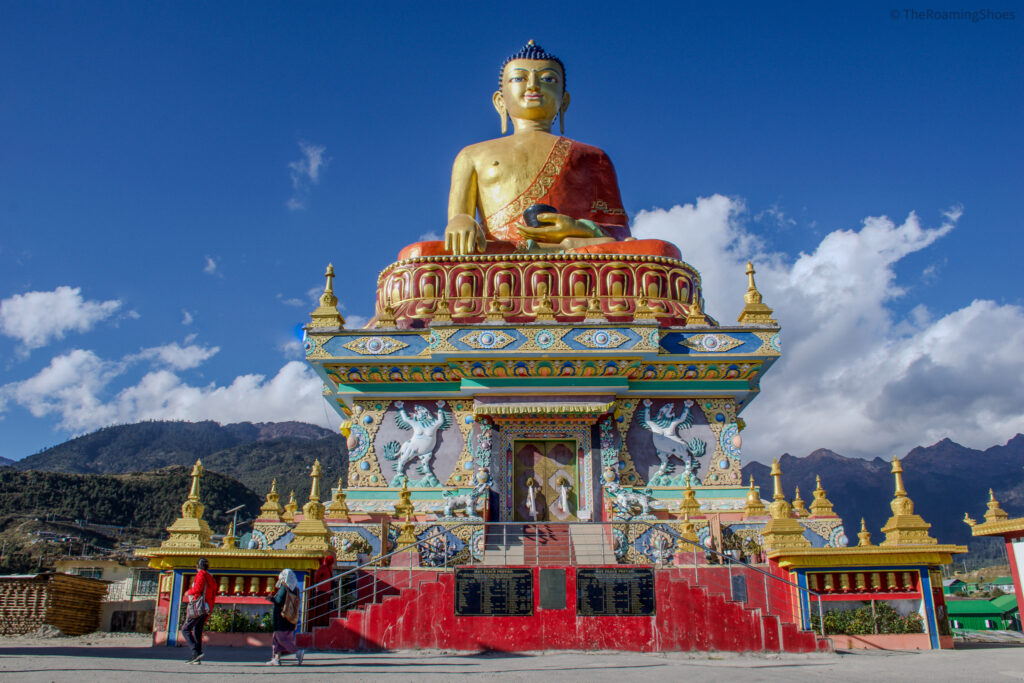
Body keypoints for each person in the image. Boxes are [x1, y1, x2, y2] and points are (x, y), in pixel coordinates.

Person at [397, 40, 680, 261]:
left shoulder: (593, 156)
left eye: (548, 79)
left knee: (658, 251)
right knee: (419, 255)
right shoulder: (472, 155)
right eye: (519, 78)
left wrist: (575, 229)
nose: (533, 86)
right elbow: (458, 218)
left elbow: (618, 234)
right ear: (499, 101)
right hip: (500, 255)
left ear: (564, 101)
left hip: (573, 253)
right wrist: (461, 220)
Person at [181, 557, 216, 665]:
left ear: (198, 567)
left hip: (198, 607)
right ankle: (197, 656)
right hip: (206, 607)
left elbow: (198, 589)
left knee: (185, 629)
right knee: (197, 630)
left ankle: (195, 652)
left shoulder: (201, 575)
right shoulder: (211, 578)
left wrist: (188, 592)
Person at [268, 568, 304, 666]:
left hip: (282, 618)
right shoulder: (295, 589)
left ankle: (298, 652)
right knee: (277, 639)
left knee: (281, 639)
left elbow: (279, 601)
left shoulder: (284, 588)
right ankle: (276, 658)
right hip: (290, 617)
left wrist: (270, 598)